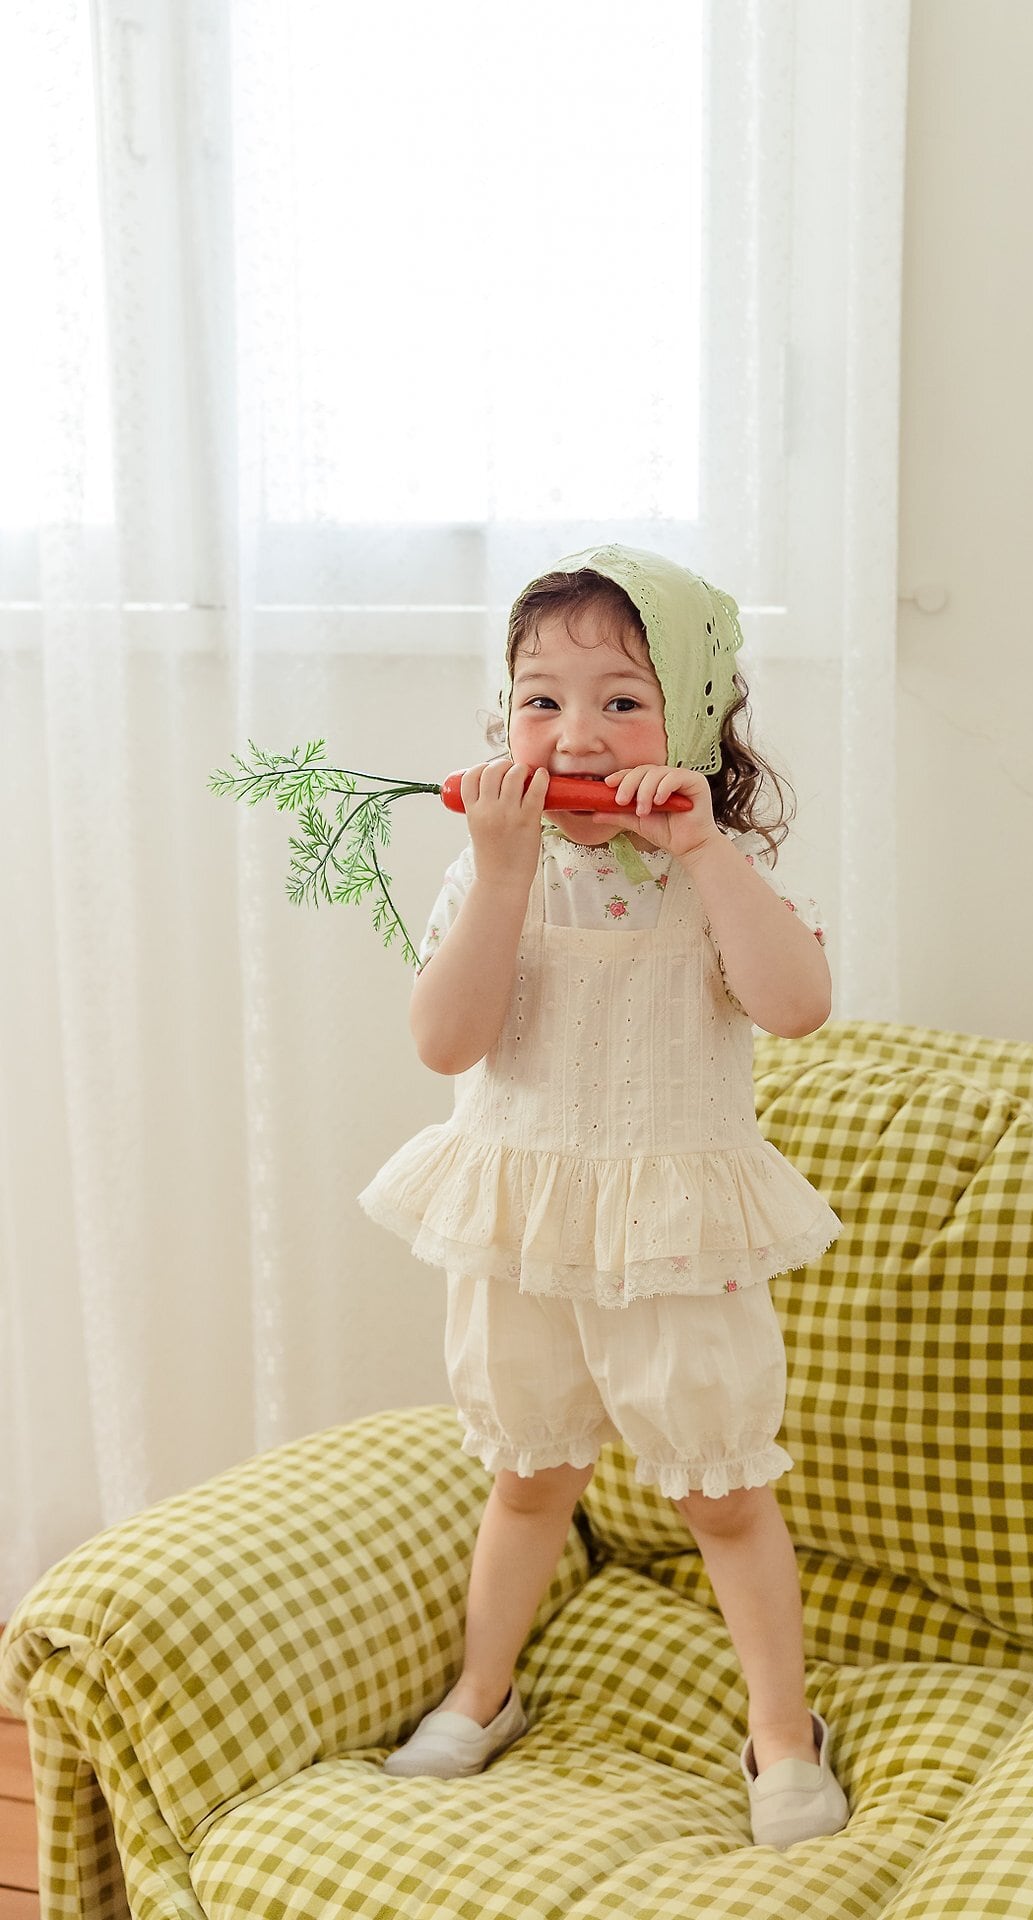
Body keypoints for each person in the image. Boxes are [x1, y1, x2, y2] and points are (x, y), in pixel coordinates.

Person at [360, 545, 848, 1848]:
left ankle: (783, 1734)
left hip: (674, 1238)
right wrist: (500, 874)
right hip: (521, 1227)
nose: (574, 733)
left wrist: (703, 851)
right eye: (541, 700)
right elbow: (447, 1044)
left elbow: (797, 1006)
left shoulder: (715, 874)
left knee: (721, 1496)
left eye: (621, 701)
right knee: (529, 1477)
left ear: (695, 724)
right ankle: (483, 1691)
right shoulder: (492, 871)